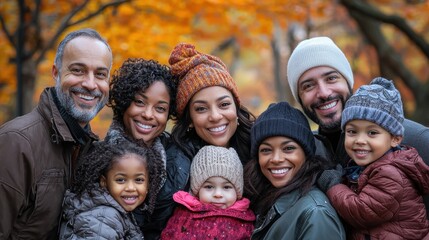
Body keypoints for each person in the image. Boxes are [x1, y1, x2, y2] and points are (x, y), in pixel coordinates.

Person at [286, 36, 429, 218]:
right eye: (308, 86)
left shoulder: (417, 140)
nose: (323, 93)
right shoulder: (305, 153)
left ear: (348, 82)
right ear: (299, 98)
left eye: (331, 78)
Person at [0, 28, 112, 239]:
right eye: (78, 70)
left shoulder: (93, 152)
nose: (90, 84)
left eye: (100, 74)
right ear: (56, 73)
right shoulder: (15, 143)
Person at [143, 43, 256, 239]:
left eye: (224, 104)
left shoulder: (259, 148)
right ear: (190, 120)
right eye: (201, 109)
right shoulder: (175, 164)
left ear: (236, 108)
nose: (215, 116)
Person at [317, 77, 429, 239]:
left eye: (372, 133)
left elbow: (361, 211)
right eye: (352, 132)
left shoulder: (390, 172)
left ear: (395, 139)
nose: (360, 140)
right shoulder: (364, 166)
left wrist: (332, 185)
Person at [244, 101, 345, 240]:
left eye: (288, 148)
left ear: (306, 153)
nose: (276, 159)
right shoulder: (261, 198)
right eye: (266, 150)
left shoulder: (315, 214)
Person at [104, 58, 180, 238]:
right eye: (139, 102)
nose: (148, 114)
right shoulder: (97, 159)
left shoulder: (177, 162)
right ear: (124, 102)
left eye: (160, 108)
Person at [59, 140, 161, 239]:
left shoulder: (115, 212)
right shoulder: (103, 218)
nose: (130, 188)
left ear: (148, 185)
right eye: (120, 180)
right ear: (104, 182)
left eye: (138, 180)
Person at [161, 145, 255, 239]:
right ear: (197, 191)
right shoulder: (184, 215)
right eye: (209, 187)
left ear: (237, 191)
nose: (218, 194)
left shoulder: (245, 219)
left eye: (226, 187)